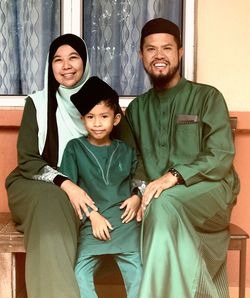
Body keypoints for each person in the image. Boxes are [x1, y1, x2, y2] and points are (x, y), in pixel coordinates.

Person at [5, 34, 138, 298]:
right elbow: (28, 159)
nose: (65, 66)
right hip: (38, 182)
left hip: (88, 192)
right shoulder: (38, 103)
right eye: (57, 60)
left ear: (85, 61)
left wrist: (137, 195)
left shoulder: (103, 101)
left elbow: (133, 157)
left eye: (73, 57)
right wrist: (67, 185)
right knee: (53, 202)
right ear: (50, 66)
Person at [125, 18, 240, 298]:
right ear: (141, 56)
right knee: (159, 206)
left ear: (180, 52)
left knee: (162, 204)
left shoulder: (207, 98)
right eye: (151, 49)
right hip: (159, 200)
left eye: (167, 48)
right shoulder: (136, 110)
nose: (159, 55)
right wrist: (139, 191)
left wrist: (172, 176)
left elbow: (220, 155)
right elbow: (135, 162)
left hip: (210, 192)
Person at [59, 76, 143, 298]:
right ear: (82, 119)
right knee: (79, 273)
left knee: (139, 274)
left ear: (115, 120)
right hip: (91, 224)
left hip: (125, 223)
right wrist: (92, 215)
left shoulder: (125, 150)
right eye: (91, 117)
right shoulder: (74, 148)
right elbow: (69, 190)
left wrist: (136, 197)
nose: (97, 123)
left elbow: (139, 180)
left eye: (104, 116)